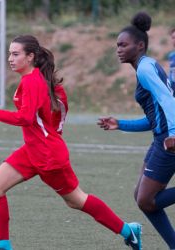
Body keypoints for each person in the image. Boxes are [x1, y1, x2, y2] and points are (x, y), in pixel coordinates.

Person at [0, 35, 142, 250]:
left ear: (30, 57)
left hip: (49, 157)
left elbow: (25, 118)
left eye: (15, 54)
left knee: (76, 200)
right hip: (33, 150)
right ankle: (3, 245)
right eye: (9, 54)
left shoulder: (33, 81)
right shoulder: (33, 79)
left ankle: (129, 231)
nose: (10, 59)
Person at [97, 12, 175, 249]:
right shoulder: (147, 65)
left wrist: (173, 132)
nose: (119, 49)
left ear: (139, 45)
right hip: (160, 137)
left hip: (167, 140)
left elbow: (168, 99)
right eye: (117, 45)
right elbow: (154, 118)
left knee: (146, 200)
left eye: (123, 44)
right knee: (140, 197)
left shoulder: (145, 69)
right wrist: (120, 124)